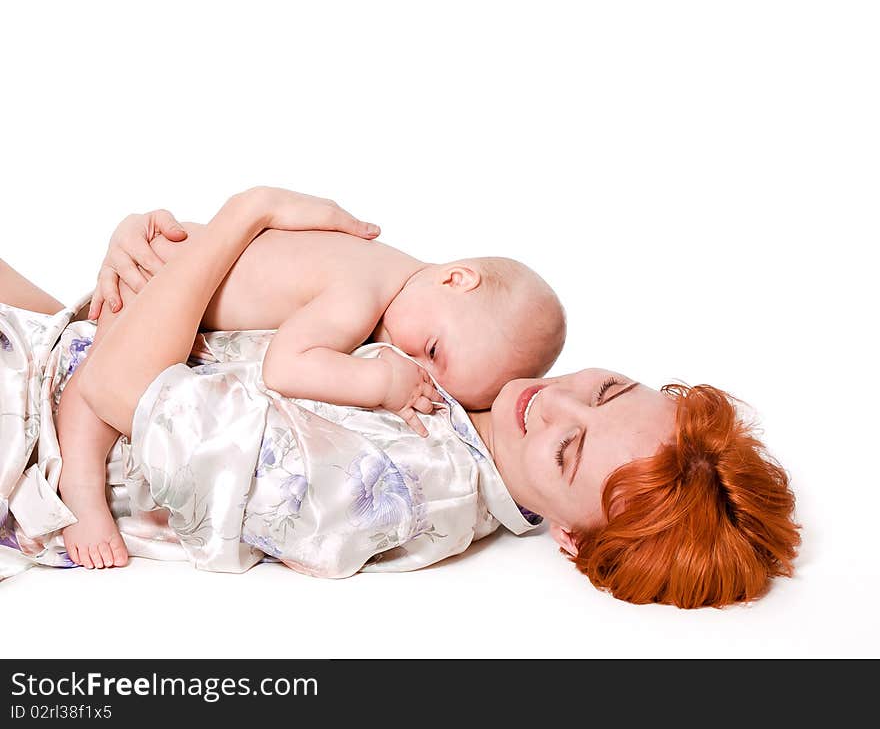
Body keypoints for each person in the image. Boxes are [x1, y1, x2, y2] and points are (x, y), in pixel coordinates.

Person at [0, 187, 800, 608]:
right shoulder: (465, 372)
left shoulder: (404, 490)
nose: (552, 402)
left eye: (569, 449)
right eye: (605, 389)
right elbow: (242, 309)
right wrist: (151, 248)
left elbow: (113, 388)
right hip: (49, 345)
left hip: (32, 436)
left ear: (569, 536)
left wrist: (246, 212)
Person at [55, 189, 566, 570]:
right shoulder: (360, 294)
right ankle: (79, 490)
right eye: (432, 351)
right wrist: (382, 384)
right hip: (151, 284)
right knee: (90, 396)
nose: (415, 364)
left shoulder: (389, 275)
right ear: (456, 278)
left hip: (173, 266)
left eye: (438, 377)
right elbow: (287, 366)